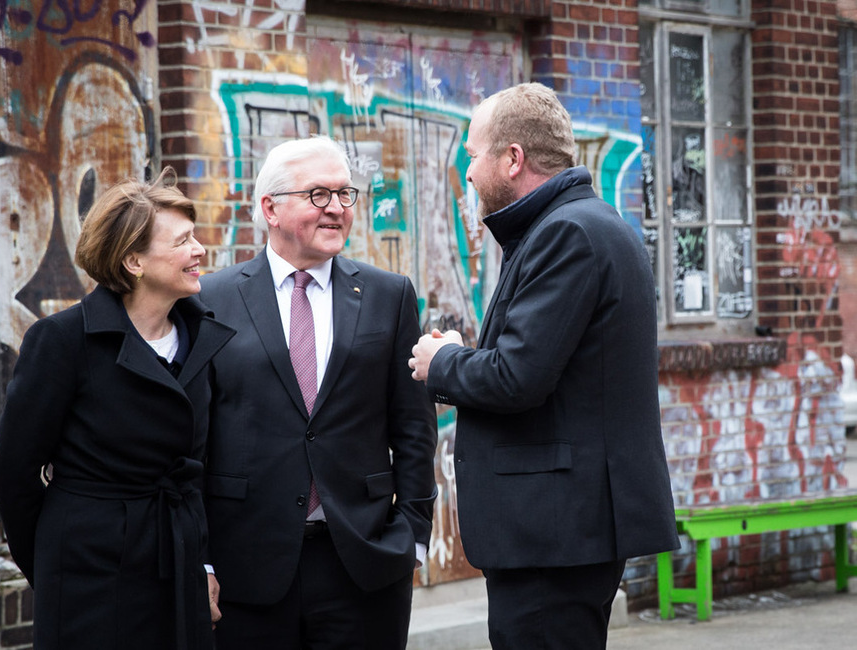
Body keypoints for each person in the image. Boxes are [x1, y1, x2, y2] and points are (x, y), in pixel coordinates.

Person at [408, 82, 680, 649]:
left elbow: (517, 378)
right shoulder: (582, 224)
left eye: (474, 154)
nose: (468, 172)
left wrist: (442, 362)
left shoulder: (566, 234)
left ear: (513, 159)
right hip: (562, 528)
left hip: (553, 532)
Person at [199, 135, 438, 649]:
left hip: (363, 565)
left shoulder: (388, 295)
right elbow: (194, 439)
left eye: (345, 194)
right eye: (318, 195)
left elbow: (414, 428)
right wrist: (202, 559)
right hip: (247, 569)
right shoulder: (211, 300)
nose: (337, 209)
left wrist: (413, 539)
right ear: (271, 209)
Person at [0, 168, 233, 650]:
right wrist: (56, 566)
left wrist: (201, 562)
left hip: (177, 566)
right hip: (90, 579)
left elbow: (196, 471)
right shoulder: (62, 340)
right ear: (134, 261)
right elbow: (13, 472)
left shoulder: (199, 336)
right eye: (183, 241)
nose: (200, 250)